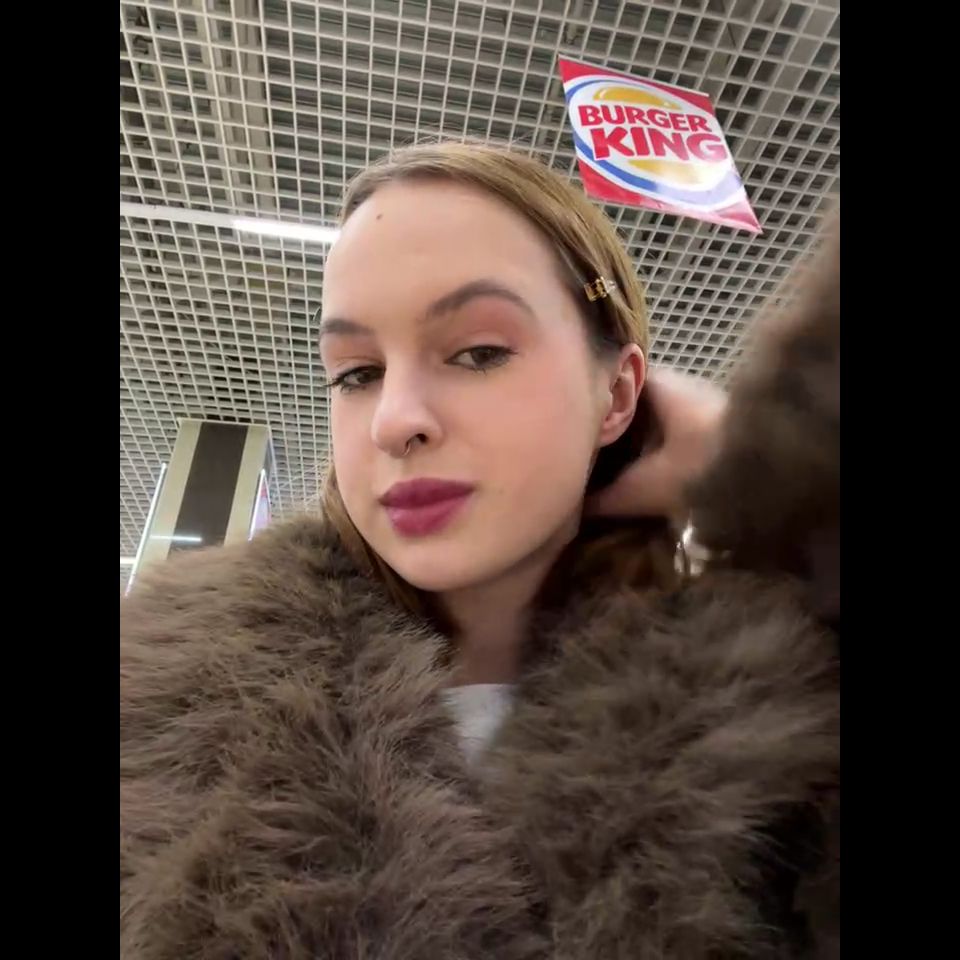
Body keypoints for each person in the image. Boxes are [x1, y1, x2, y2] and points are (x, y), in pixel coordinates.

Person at [120, 141, 839, 959]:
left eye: (479, 352)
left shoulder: (782, 724)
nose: (395, 420)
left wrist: (781, 479)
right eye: (356, 373)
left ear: (618, 394)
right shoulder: (154, 710)